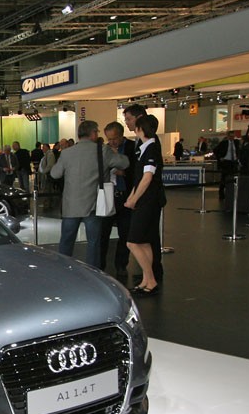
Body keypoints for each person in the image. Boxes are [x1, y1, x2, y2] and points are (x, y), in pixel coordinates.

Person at [50, 120, 129, 268]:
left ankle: (62, 269)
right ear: (93, 133)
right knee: (94, 243)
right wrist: (114, 151)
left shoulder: (67, 153)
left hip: (71, 205)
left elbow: (55, 174)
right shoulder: (103, 151)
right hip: (93, 204)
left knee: (66, 240)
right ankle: (93, 272)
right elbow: (124, 163)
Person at [124, 114, 166, 296]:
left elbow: (147, 178)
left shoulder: (151, 149)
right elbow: (140, 178)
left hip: (148, 201)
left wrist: (134, 199)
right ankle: (147, 281)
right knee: (145, 242)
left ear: (141, 128)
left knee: (132, 242)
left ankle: (151, 280)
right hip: (145, 200)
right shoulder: (144, 148)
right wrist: (132, 197)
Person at [99, 121, 132, 277]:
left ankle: (121, 265)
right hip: (107, 196)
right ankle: (100, 266)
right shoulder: (104, 150)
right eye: (109, 139)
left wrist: (124, 173)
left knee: (125, 233)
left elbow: (136, 170)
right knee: (103, 233)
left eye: (114, 138)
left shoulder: (131, 147)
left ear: (121, 135)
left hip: (125, 196)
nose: (111, 142)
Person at [214, 131, 240, 200]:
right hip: (226, 162)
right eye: (230, 136)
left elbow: (237, 151)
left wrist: (237, 158)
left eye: (233, 136)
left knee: (233, 178)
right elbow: (215, 150)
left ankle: (232, 193)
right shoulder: (223, 143)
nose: (232, 138)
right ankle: (221, 194)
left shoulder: (236, 143)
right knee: (224, 178)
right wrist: (220, 157)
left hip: (233, 162)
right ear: (228, 136)